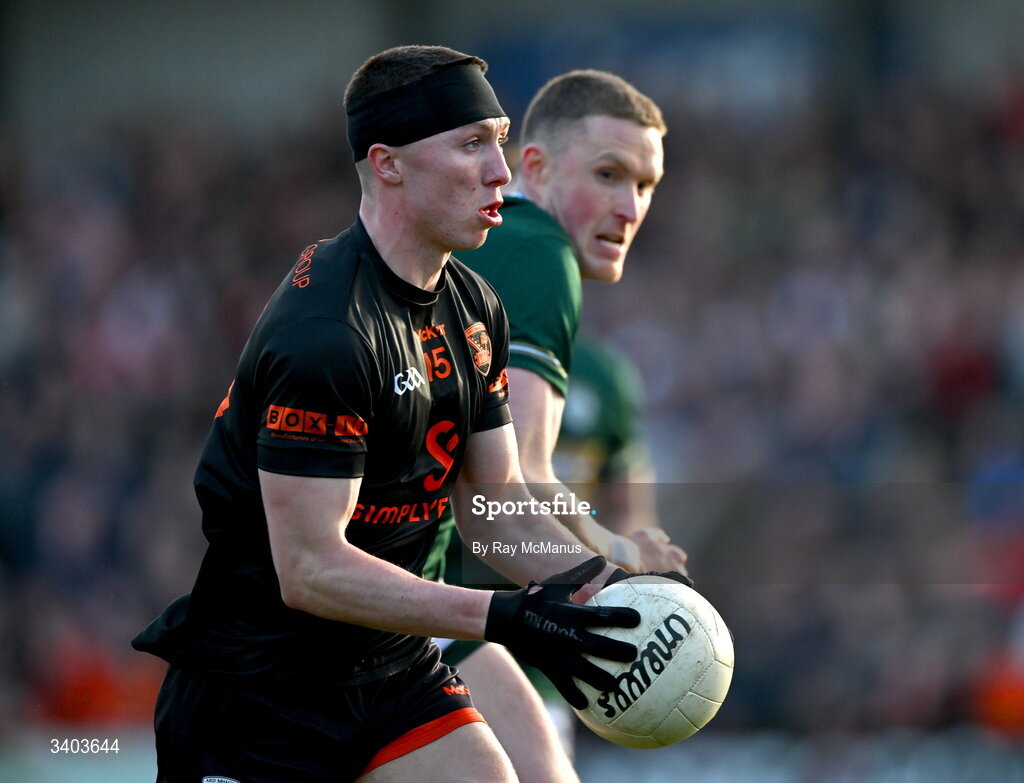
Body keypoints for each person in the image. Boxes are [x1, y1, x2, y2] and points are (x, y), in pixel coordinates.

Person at [132, 46, 683, 783]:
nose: (500, 170)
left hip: (392, 665)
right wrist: (502, 614)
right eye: (472, 144)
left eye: (500, 139)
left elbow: (494, 507)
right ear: (388, 164)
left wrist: (611, 589)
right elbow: (310, 569)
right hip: (262, 688)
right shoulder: (325, 333)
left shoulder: (475, 306)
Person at [426, 70, 689, 780]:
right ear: (533, 167)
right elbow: (518, 487)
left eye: (647, 184)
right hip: (409, 604)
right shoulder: (539, 251)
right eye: (608, 174)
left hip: (419, 606)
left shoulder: (475, 250)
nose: (631, 206)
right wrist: (621, 561)